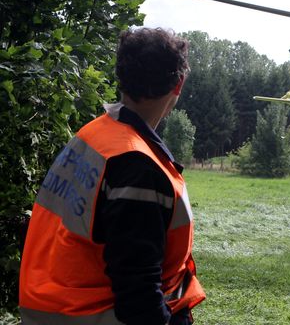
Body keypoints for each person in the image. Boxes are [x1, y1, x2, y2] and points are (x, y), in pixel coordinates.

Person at [19, 28, 205, 325]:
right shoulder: (137, 167)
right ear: (178, 85)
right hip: (93, 315)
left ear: (122, 76)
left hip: (54, 309)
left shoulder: (94, 135)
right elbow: (138, 297)